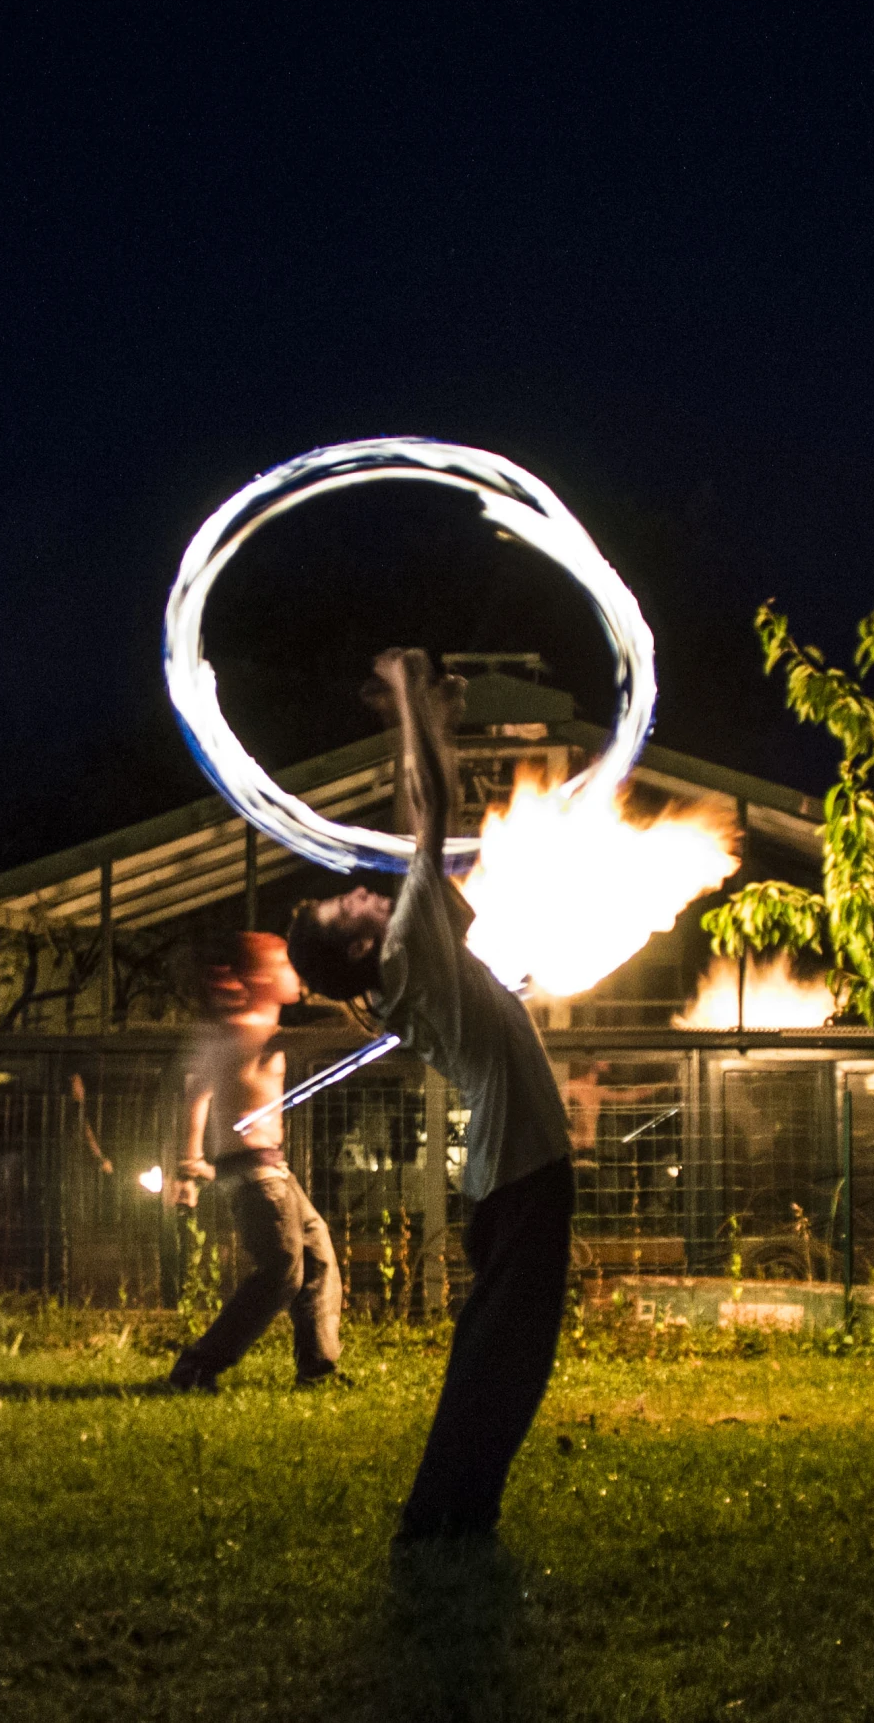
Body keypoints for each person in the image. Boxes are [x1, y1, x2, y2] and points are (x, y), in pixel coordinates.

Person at [286, 648, 574, 1546]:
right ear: (364, 949)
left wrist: (428, 724)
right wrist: (411, 706)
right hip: (521, 1167)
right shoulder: (408, 946)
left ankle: (455, 1508)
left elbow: (425, 812)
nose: (358, 896)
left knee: (504, 1351)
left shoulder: (414, 952)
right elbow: (432, 818)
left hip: (511, 1167)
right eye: (346, 912)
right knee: (506, 1354)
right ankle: (442, 1513)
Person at [168, 933, 344, 1390]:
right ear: (264, 978)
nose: (296, 974)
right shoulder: (255, 1031)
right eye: (287, 965)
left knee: (317, 1253)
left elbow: (195, 1097)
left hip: (268, 1171)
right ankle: (198, 1366)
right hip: (258, 1175)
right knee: (283, 1271)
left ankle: (317, 1369)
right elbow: (343, 1033)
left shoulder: (239, 1031)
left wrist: (190, 1163)